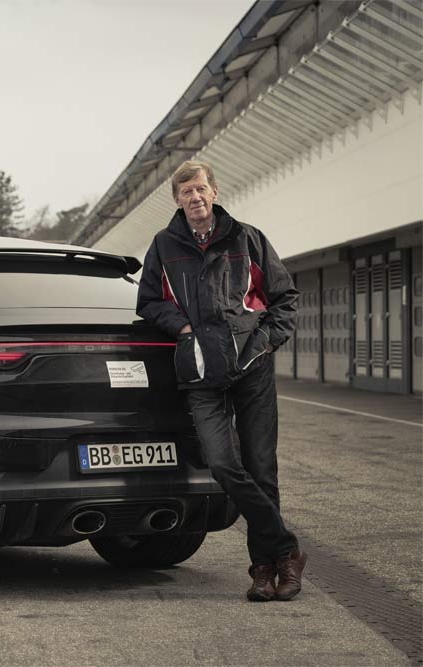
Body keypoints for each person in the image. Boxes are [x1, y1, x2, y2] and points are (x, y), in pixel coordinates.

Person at [136, 160, 306, 602]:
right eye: (186, 192)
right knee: (222, 464)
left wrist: (264, 342)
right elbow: (148, 301)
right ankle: (287, 549)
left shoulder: (247, 238)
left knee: (261, 468)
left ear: (214, 191)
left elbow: (285, 298)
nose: (195, 197)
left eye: (200, 189)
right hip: (199, 370)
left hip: (251, 367)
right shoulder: (164, 245)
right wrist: (181, 327)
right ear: (177, 200)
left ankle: (265, 570)